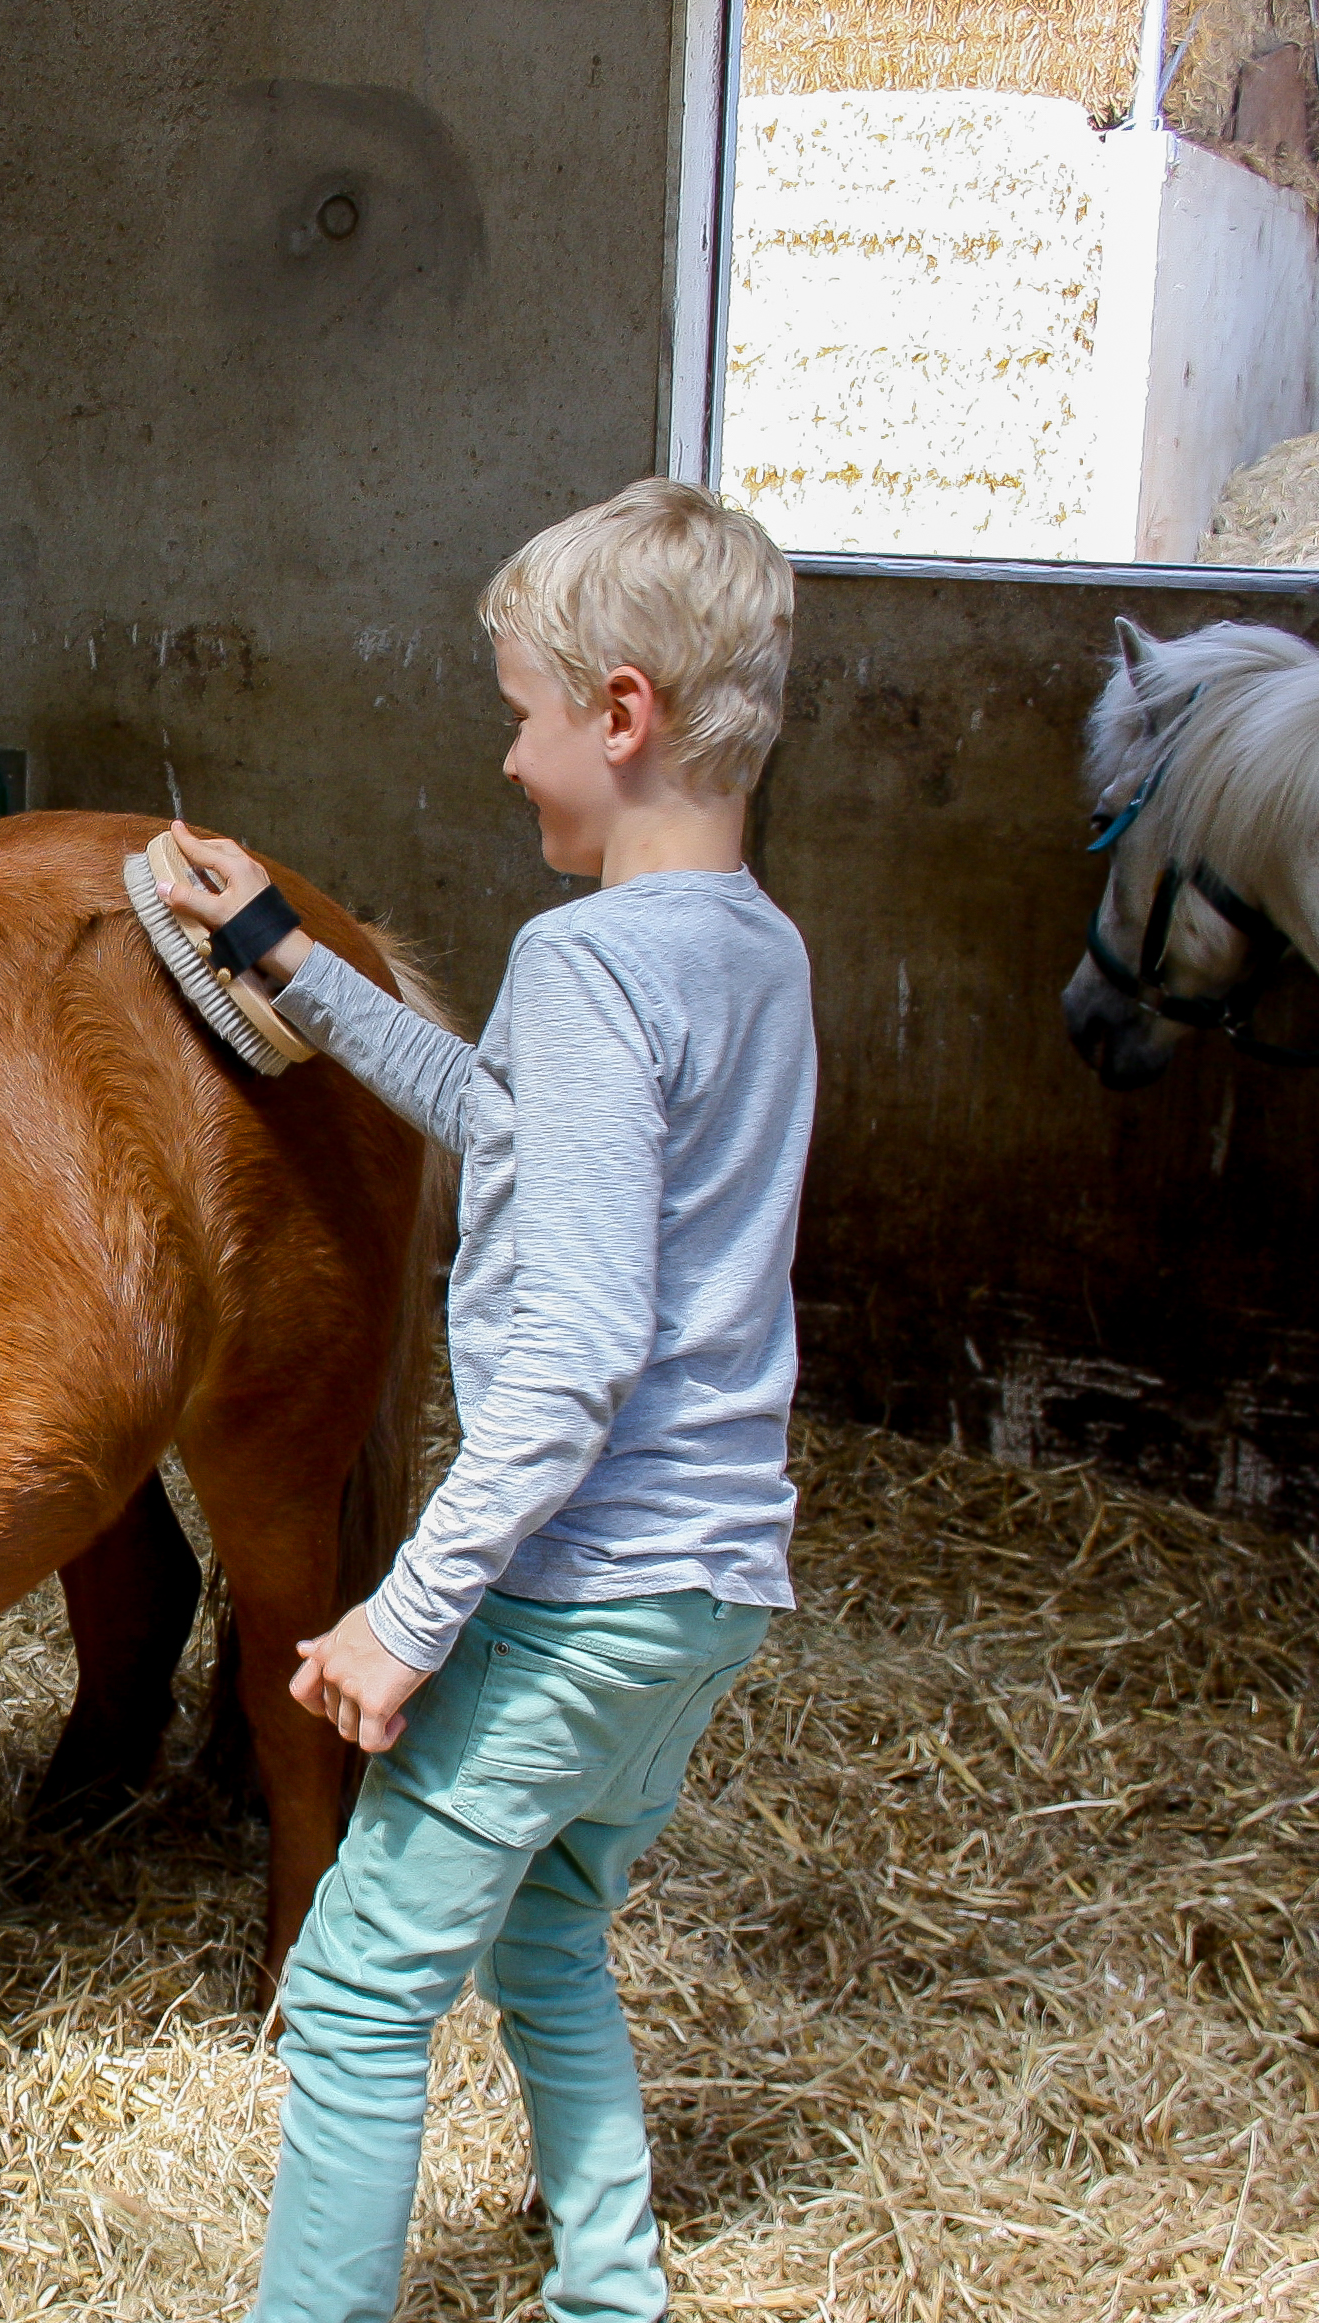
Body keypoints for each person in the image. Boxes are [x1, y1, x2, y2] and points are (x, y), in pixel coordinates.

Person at [156, 477, 814, 2323]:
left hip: (576, 1590)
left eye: (522, 715)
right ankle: (609, 2293)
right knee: (547, 1934)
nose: (511, 759)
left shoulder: (590, 960)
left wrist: (403, 1611)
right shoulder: (750, 949)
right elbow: (513, 1124)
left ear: (620, 715)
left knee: (360, 1989)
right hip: (704, 1591)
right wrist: (285, 958)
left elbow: (576, 1350)